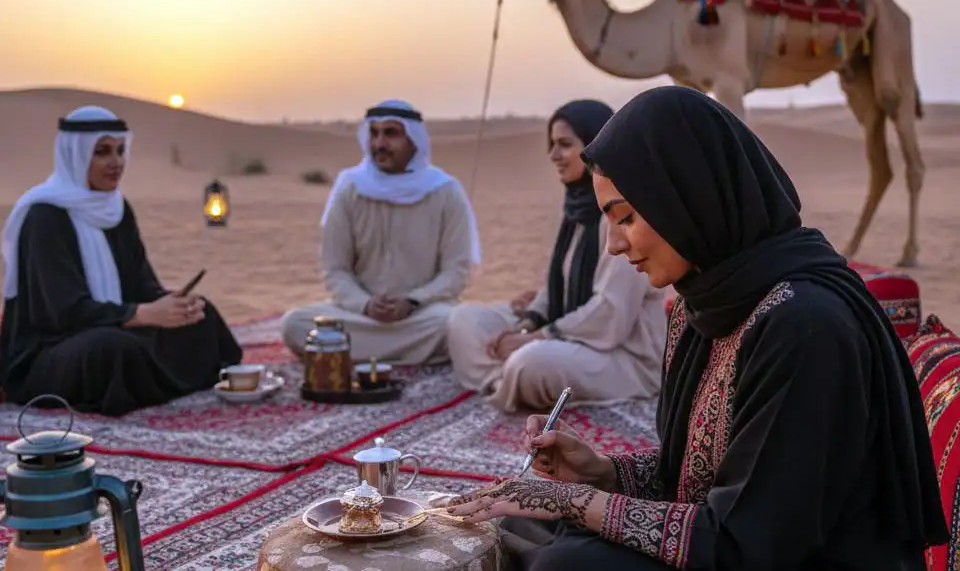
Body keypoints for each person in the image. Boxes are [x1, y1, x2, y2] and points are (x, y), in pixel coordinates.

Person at [443, 86, 947, 570]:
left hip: (793, 558)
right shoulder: (702, 303)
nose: (615, 246)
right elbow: (692, 480)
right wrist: (600, 471)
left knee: (567, 558)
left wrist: (578, 502)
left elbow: (746, 540)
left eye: (627, 217)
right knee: (527, 530)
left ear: (688, 196)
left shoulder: (803, 325)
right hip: (732, 543)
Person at [0, 106, 243, 417]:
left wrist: (172, 305)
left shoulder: (117, 209)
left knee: (201, 315)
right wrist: (141, 314)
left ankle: (155, 383)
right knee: (110, 348)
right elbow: (63, 312)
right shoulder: (45, 215)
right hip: (53, 348)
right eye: (102, 152)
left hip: (118, 323)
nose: (116, 163)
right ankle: (151, 384)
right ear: (76, 156)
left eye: (121, 151)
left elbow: (141, 284)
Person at [446, 99, 665, 412]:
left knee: (530, 361)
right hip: (571, 337)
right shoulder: (575, 211)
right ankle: (508, 382)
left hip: (622, 357)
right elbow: (554, 288)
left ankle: (513, 379)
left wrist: (536, 337)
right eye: (551, 145)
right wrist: (524, 326)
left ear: (594, 146)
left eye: (564, 144)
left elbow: (609, 315)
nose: (553, 156)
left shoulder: (624, 212)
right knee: (463, 320)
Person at [279, 100, 481, 364]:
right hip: (360, 317)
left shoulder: (444, 191)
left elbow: (456, 272)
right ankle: (409, 354)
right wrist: (365, 304)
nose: (380, 143)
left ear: (413, 139)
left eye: (391, 134)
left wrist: (412, 301)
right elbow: (335, 270)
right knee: (294, 324)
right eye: (374, 133)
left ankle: (359, 353)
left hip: (422, 315)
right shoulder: (350, 187)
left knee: (455, 324)